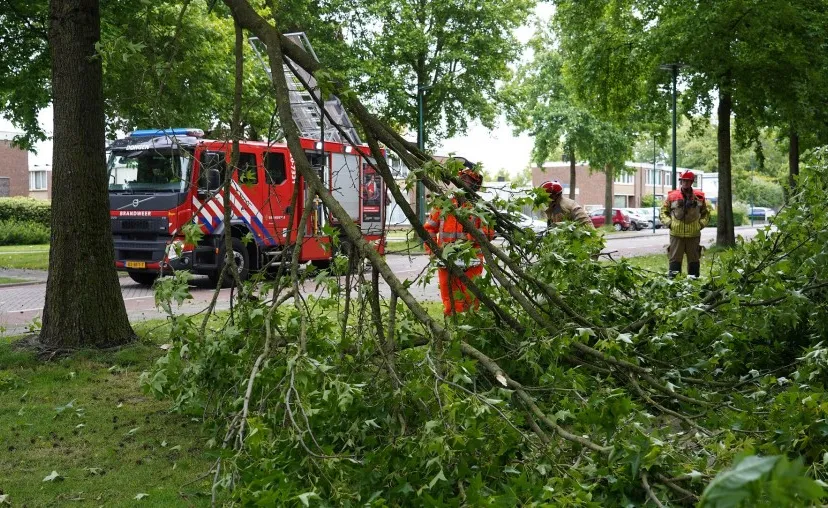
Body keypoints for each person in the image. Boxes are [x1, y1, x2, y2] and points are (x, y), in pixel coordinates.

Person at [424, 167, 493, 315]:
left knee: (471, 298)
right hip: (445, 259)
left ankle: (471, 328)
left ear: (476, 185)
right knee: (450, 299)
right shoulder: (443, 204)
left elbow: (488, 233)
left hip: (471, 262)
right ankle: (453, 328)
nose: (464, 183)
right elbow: (428, 229)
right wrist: (433, 251)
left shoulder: (480, 207)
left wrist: (468, 238)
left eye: (469, 181)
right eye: (463, 180)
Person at [660, 170, 711, 278]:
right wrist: (669, 223)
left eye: (688, 181)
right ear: (680, 181)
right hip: (676, 234)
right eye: (683, 180)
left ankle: (693, 284)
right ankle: (674, 283)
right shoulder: (672, 196)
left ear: (692, 182)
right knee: (674, 260)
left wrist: (700, 225)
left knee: (694, 261)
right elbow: (663, 212)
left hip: (693, 235)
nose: (685, 183)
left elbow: (706, 214)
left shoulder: (699, 197)